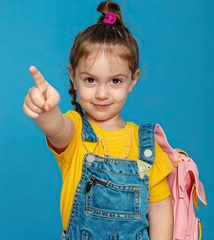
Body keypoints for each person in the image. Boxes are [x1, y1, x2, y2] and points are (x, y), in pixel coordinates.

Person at [23, 1, 174, 239]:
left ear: (132, 80)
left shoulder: (147, 147)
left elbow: (160, 207)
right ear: (73, 77)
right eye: (91, 80)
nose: (102, 94)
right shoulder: (75, 133)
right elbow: (56, 127)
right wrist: (45, 110)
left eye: (115, 81)